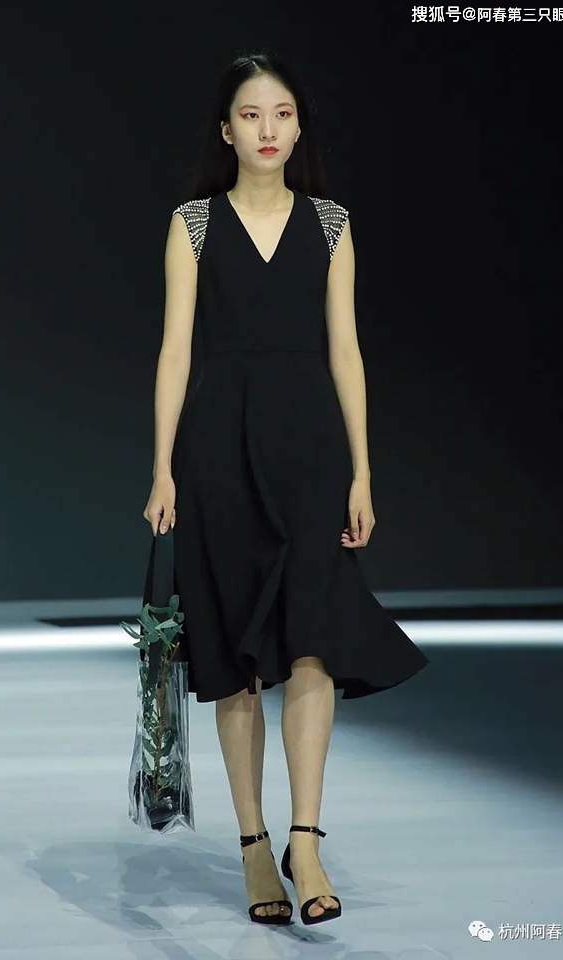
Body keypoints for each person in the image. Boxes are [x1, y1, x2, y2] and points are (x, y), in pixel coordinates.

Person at [143, 50, 429, 927]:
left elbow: (346, 350)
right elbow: (175, 351)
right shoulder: (194, 224)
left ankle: (307, 839)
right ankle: (254, 846)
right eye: (251, 115)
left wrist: (363, 470)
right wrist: (161, 466)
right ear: (226, 131)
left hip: (311, 451)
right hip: (218, 451)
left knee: (314, 644)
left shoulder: (331, 224)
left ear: (299, 128)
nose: (268, 129)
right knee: (235, 657)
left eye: (283, 114)